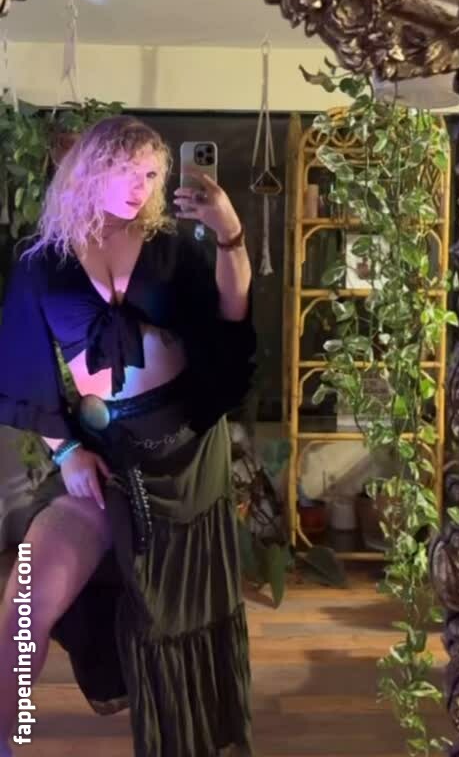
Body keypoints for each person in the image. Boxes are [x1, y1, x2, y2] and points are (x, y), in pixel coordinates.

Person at [0, 116, 256, 757]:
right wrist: (66, 450)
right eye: (124, 170)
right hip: (107, 456)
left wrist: (230, 235)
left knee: (177, 625)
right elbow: (23, 368)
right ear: (88, 170)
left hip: (188, 454)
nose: (140, 187)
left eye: (150, 173)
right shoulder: (42, 262)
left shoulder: (173, 250)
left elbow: (231, 321)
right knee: (23, 607)